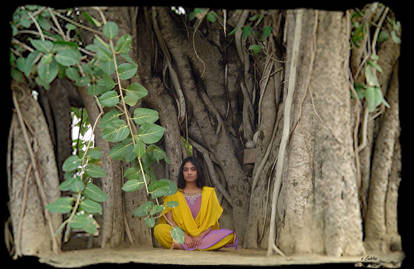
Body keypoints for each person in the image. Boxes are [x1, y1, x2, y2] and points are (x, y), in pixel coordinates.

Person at [153, 156, 238, 250]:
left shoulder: (209, 193)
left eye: (193, 169)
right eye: (186, 170)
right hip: (181, 235)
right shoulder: (173, 194)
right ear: (182, 173)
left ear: (198, 172)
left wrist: (199, 236)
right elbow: (170, 221)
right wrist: (185, 237)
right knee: (159, 230)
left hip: (203, 236)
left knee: (228, 235)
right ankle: (194, 246)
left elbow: (212, 223)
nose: (189, 172)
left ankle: (182, 246)